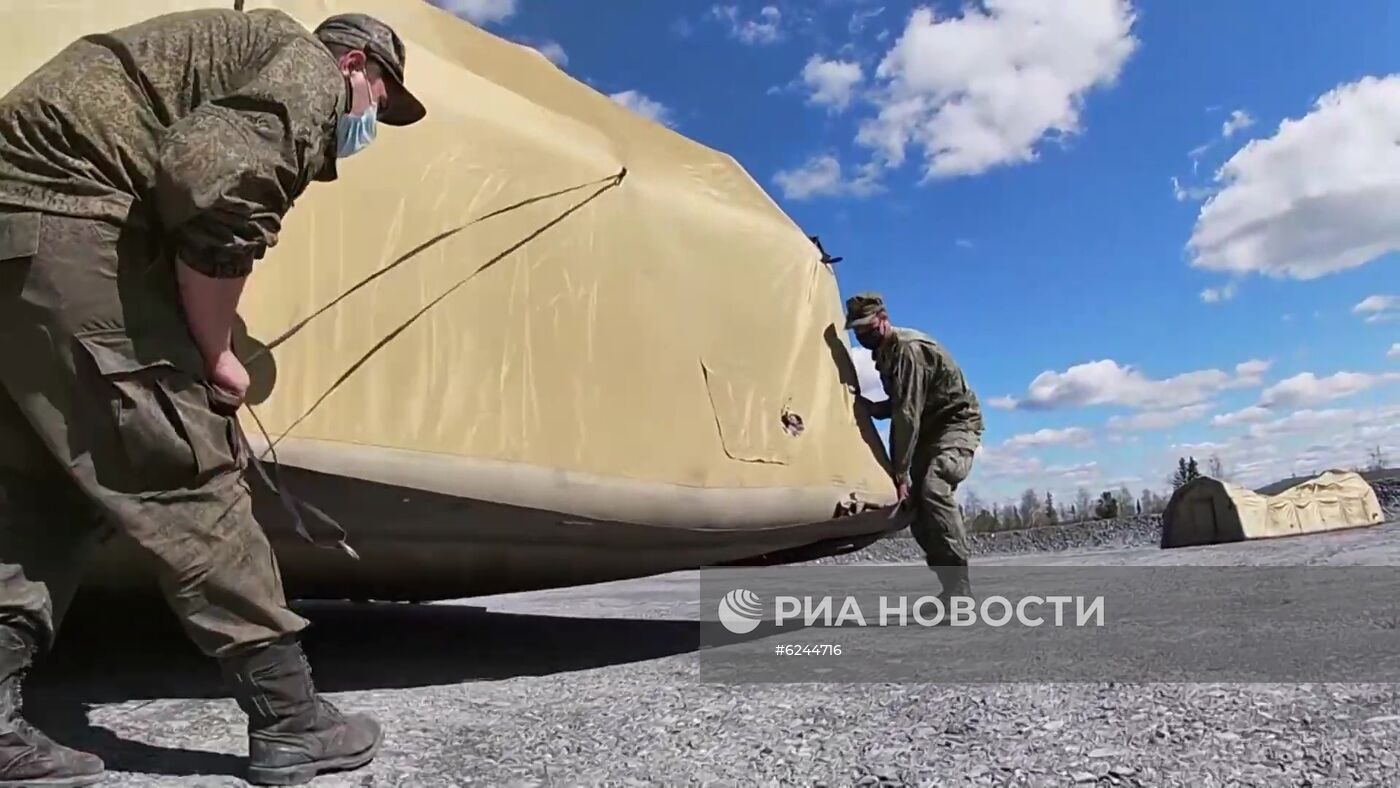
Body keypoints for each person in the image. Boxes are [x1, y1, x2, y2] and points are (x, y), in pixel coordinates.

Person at [0, 7, 425, 786]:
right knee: (178, 462)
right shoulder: (306, 68)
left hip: (18, 244)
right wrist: (217, 354)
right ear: (359, 64)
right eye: (381, 98)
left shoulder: (228, 56)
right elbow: (217, 184)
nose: (372, 118)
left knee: (44, 489)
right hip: (67, 228)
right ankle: (291, 719)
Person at [845, 293, 984, 605]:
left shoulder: (908, 350)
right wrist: (871, 408)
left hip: (954, 424)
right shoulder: (884, 354)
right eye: (857, 331)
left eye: (868, 328)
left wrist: (900, 471)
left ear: (883, 319)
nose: (863, 336)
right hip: (926, 428)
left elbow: (907, 414)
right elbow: (901, 405)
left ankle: (961, 585)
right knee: (915, 507)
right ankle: (950, 587)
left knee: (934, 486)